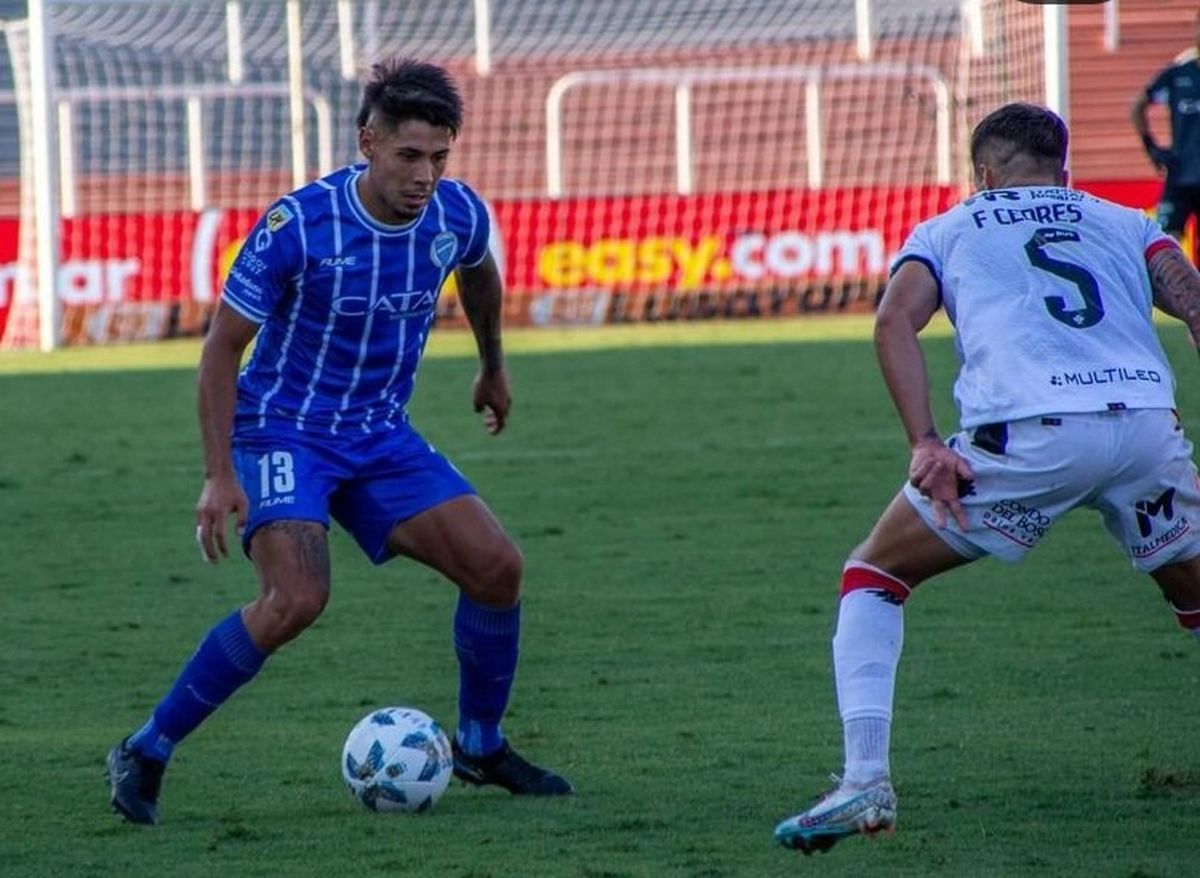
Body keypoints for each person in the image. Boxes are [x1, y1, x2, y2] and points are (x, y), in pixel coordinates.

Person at [105, 57, 572, 826]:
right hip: (283, 428)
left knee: (497, 568)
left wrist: (492, 364)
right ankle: (147, 747)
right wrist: (219, 474)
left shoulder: (455, 214)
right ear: (368, 142)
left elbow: (479, 272)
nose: (425, 175)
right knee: (296, 598)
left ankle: (482, 746)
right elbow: (221, 348)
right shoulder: (300, 225)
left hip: (379, 433)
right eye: (408, 156)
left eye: (439, 157)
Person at [773, 102, 1200, 855]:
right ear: (1063, 171)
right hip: (1143, 427)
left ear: (984, 173)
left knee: (873, 576)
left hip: (1028, 435)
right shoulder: (1124, 220)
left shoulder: (950, 228)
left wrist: (926, 442)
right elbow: (1192, 301)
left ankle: (865, 780)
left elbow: (892, 322)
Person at [1131, 13, 1200, 261]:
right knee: (1163, 244)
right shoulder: (1177, 75)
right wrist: (1151, 147)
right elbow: (1138, 104)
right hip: (1180, 177)